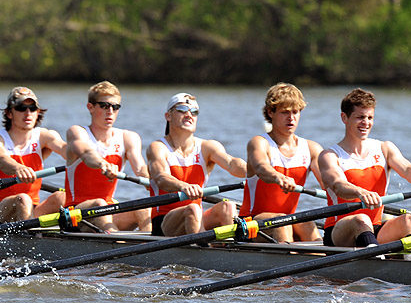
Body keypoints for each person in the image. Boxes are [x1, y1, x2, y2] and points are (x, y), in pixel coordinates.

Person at [318, 88, 411, 247]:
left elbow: (409, 171)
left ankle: (410, 264)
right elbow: (338, 185)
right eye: (360, 117)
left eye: (370, 117)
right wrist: (361, 192)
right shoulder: (329, 155)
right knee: (361, 219)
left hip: (375, 227)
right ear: (344, 118)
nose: (366, 123)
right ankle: (376, 262)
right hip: (339, 231)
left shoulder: (385, 148)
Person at [147, 92, 247, 236]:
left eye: (194, 112)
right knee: (193, 208)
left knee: (228, 206)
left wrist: (257, 169)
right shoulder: (158, 147)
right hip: (164, 222)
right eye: (182, 109)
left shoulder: (208, 147)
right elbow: (161, 178)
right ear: (168, 116)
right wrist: (184, 186)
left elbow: (232, 164)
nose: (189, 115)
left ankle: (228, 249)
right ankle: (204, 252)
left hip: (196, 217)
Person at [240, 83, 324, 242]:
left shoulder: (312, 149)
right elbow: (261, 167)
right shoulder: (259, 143)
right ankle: (291, 259)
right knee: (282, 222)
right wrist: (278, 177)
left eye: (295, 112)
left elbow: (329, 181)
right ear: (270, 112)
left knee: (307, 222)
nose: (291, 118)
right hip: (251, 223)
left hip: (285, 219)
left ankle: (324, 261)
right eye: (285, 112)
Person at [64, 81, 151, 232]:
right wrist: (102, 164)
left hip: (108, 209)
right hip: (75, 213)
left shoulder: (128, 137)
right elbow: (87, 154)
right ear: (90, 107)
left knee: (143, 206)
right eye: (104, 106)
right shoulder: (77, 132)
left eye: (115, 107)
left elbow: (140, 168)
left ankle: (152, 249)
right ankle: (118, 244)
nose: (110, 111)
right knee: (99, 204)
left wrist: (157, 180)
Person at [0, 87, 67, 224]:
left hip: (33, 208)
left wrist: (87, 155)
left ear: (38, 112)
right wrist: (18, 168)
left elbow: (66, 149)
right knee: (23, 198)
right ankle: (32, 241)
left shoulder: (45, 136)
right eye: (21, 108)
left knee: (61, 197)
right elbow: (1, 159)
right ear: (9, 113)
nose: (28, 113)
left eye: (32, 108)